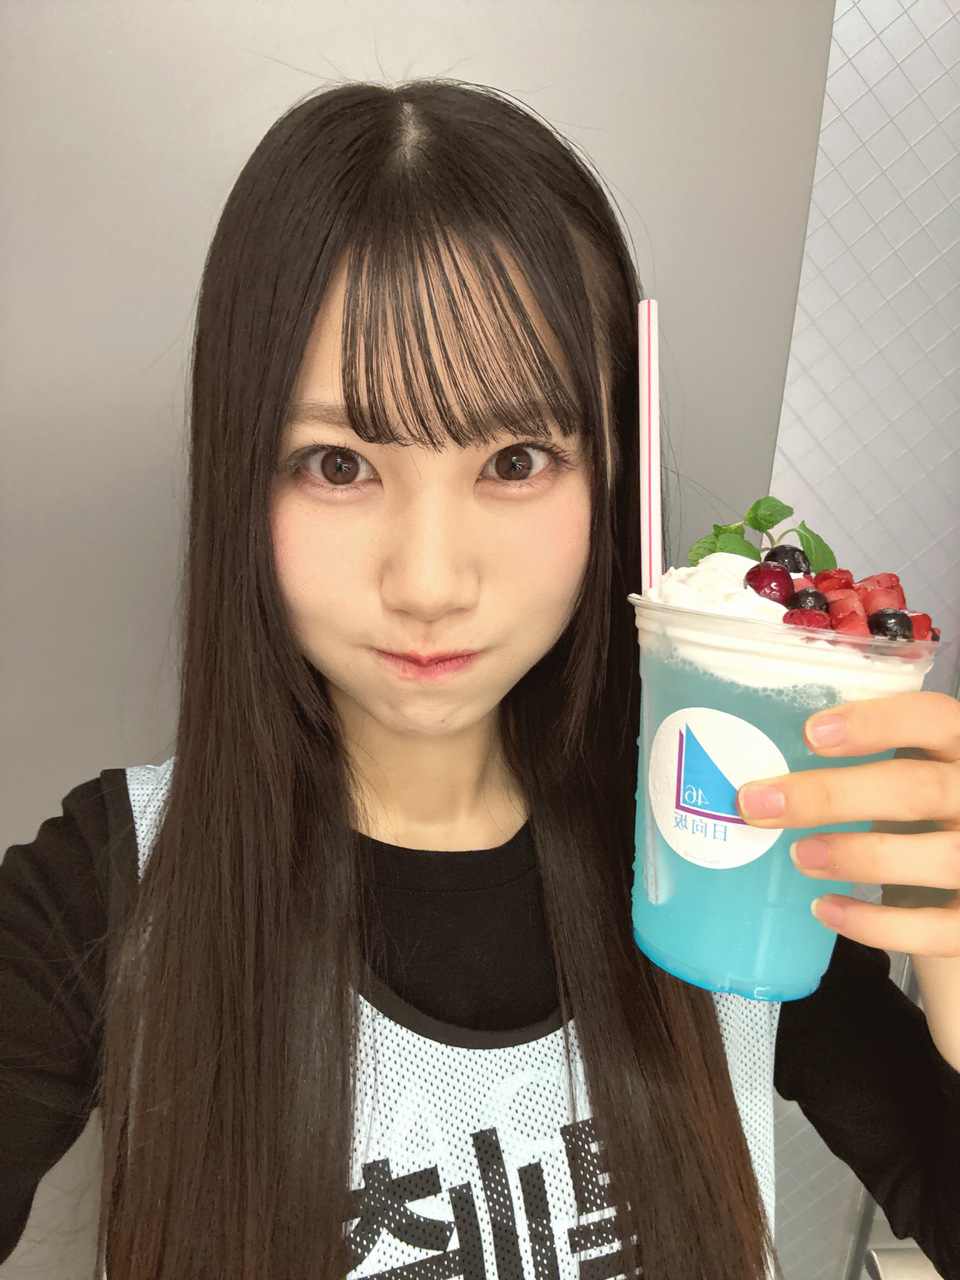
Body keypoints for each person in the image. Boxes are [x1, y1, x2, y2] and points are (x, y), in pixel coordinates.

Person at [0, 79, 958, 1280]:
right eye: (337, 463)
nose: (430, 580)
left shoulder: (728, 840)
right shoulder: (109, 884)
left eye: (515, 458)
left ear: (611, 471)